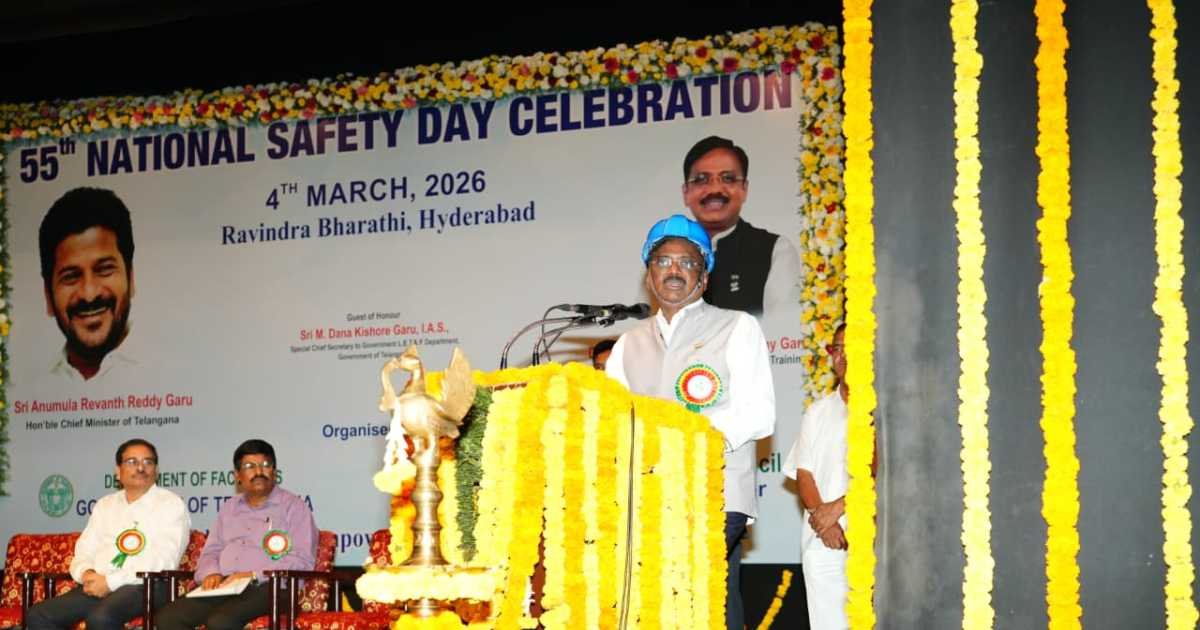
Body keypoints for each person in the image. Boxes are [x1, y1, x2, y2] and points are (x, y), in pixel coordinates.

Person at [605, 214, 775, 630]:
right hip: (648, 495)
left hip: (716, 493)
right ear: (649, 275)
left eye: (687, 262)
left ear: (704, 275)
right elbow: (612, 423)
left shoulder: (736, 327)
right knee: (700, 601)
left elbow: (758, 413)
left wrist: (685, 444)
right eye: (663, 261)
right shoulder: (627, 344)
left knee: (689, 590)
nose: (674, 270)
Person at [25, 439, 190, 630]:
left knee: (100, 618)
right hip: (99, 583)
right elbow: (85, 549)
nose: (141, 468)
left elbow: (164, 560)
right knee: (39, 615)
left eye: (148, 462)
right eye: (132, 462)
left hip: (147, 585)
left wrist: (110, 582)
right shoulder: (105, 505)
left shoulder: (171, 504)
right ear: (118, 471)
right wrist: (86, 573)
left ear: (156, 470)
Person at [156, 440, 318, 630]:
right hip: (226, 585)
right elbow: (211, 551)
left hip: (271, 587)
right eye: (249, 466)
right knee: (168, 618)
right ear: (237, 476)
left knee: (221, 622)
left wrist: (253, 574)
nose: (259, 471)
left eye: (265, 465)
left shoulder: (294, 507)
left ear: (274, 472)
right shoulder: (229, 508)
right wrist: (211, 573)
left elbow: (301, 559)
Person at [783, 323, 875, 630]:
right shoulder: (818, 411)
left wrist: (839, 508)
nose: (843, 356)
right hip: (823, 539)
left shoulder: (883, 408)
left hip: (877, 538)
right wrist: (823, 520)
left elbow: (883, 473)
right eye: (838, 349)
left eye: (852, 348)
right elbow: (804, 472)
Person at [681, 136, 800, 316]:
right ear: (686, 193)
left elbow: (780, 326)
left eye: (728, 178)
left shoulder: (775, 251)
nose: (715, 189)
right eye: (701, 179)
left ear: (744, 189)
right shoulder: (663, 256)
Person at [39, 187, 136, 381]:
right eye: (70, 277)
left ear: (131, 278)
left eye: (104, 269)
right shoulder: (29, 386)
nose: (89, 294)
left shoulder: (170, 369)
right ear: (48, 296)